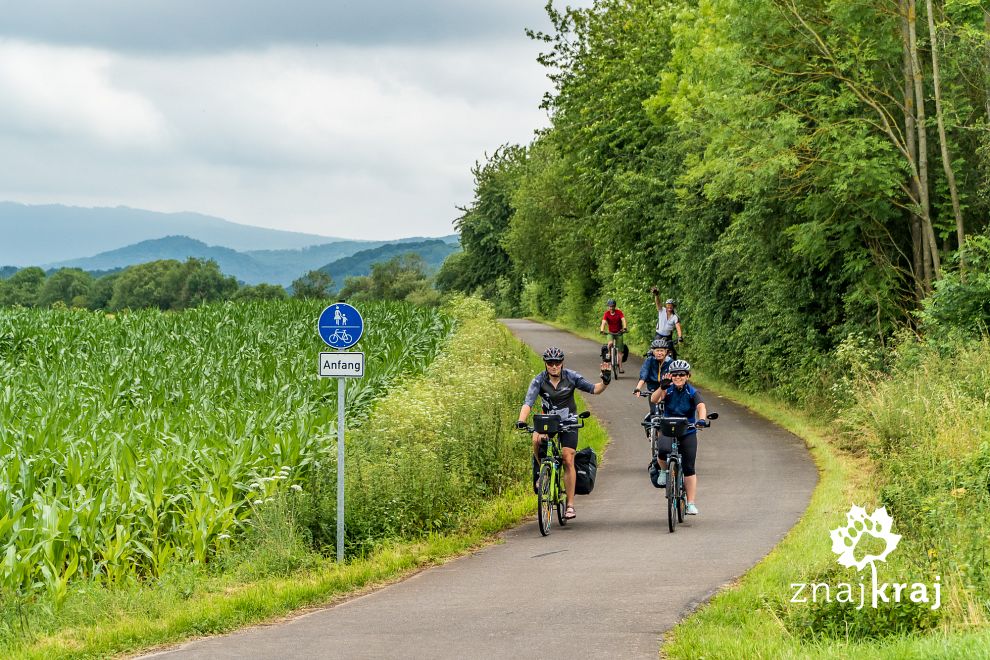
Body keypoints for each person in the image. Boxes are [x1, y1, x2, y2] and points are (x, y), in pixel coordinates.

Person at [517, 346, 611, 520]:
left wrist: (605, 381)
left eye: (557, 363)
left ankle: (570, 505)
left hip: (569, 422)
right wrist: (521, 420)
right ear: (545, 364)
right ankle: (541, 472)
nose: (554, 366)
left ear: (562, 363)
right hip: (548, 421)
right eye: (550, 363)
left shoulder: (571, 377)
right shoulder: (539, 380)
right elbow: (528, 402)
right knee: (536, 439)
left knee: (568, 458)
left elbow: (594, 389)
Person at [649, 359, 708, 516]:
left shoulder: (692, 392)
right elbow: (654, 400)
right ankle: (663, 471)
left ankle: (690, 504)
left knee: (689, 467)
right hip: (668, 428)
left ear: (687, 376)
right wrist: (662, 387)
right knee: (662, 451)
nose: (678, 377)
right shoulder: (667, 389)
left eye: (681, 375)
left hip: (687, 430)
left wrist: (701, 420)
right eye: (675, 375)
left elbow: (701, 406)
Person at [634, 338, 673, 416]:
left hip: (666, 390)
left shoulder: (670, 362)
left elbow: (675, 377)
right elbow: (643, 375)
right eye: (657, 350)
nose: (659, 353)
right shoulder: (650, 360)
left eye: (661, 350)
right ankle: (651, 426)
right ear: (653, 351)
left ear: (666, 352)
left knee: (670, 413)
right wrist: (638, 388)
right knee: (653, 412)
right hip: (652, 390)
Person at [651, 288, 683, 355]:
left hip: (668, 337)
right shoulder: (661, 310)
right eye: (668, 305)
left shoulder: (675, 316)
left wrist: (680, 337)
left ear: (673, 307)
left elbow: (678, 327)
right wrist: (656, 295)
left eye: (671, 305)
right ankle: (651, 363)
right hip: (658, 335)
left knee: (672, 352)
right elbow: (658, 303)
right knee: (652, 351)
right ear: (666, 306)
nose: (669, 307)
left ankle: (672, 365)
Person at [599, 298, 627, 372]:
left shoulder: (619, 312)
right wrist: (602, 330)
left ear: (615, 306)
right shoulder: (606, 313)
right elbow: (603, 322)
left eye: (612, 306)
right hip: (610, 333)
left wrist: (624, 328)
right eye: (610, 306)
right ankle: (609, 352)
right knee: (610, 343)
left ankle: (620, 367)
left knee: (620, 352)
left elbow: (623, 320)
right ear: (608, 307)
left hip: (619, 333)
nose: (611, 308)